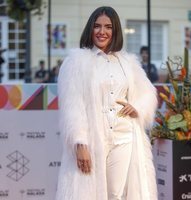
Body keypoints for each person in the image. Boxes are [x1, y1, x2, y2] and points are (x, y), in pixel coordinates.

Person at [56, 6, 158, 200]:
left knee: (115, 194)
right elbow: (73, 106)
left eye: (108, 27)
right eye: (97, 26)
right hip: (95, 138)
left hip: (124, 136)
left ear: (115, 30)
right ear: (90, 29)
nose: (102, 32)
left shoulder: (128, 62)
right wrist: (80, 143)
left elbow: (148, 92)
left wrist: (137, 107)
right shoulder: (76, 63)